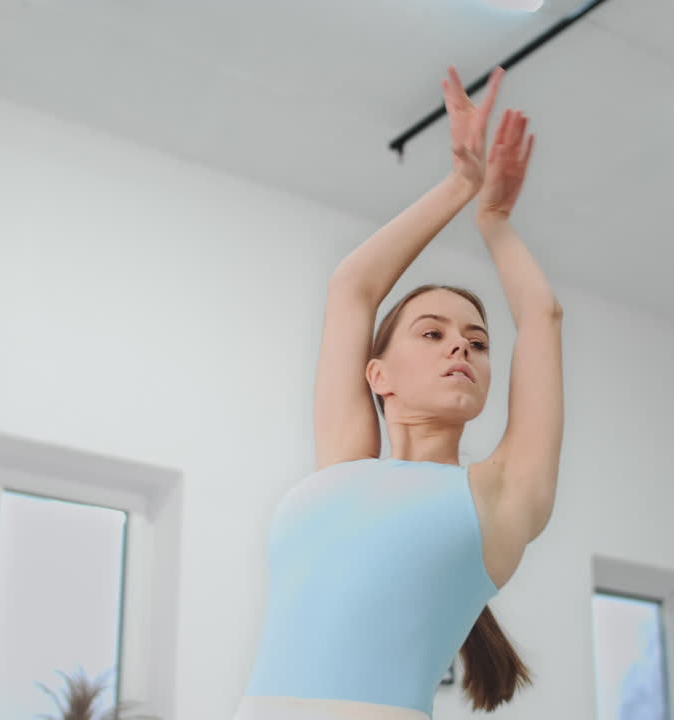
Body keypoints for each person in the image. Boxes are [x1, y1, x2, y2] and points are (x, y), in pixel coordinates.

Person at [234, 65, 564, 720]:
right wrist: (459, 183)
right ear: (377, 375)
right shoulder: (344, 463)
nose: (460, 348)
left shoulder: (500, 496)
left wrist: (495, 220)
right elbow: (352, 287)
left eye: (477, 342)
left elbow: (541, 317)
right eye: (433, 333)